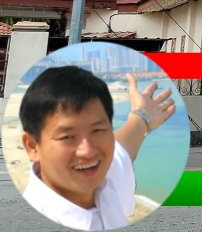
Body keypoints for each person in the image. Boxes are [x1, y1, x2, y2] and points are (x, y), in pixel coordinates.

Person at [18, 66, 177, 231]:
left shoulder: (103, 180)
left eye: (98, 130)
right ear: (32, 146)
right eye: (67, 137)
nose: (87, 151)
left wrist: (143, 115)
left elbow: (121, 149)